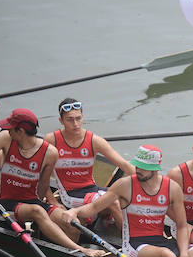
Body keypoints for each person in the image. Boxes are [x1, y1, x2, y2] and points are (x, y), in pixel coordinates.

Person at [68, 144, 193, 257]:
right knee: (167, 255)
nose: (138, 169)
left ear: (155, 169)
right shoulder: (124, 185)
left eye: (144, 167)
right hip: (135, 245)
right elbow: (94, 207)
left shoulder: (172, 188)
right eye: (137, 165)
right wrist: (74, 212)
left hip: (161, 242)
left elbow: (181, 226)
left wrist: (185, 255)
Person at [0, 108, 104, 257]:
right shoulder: (6, 138)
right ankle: (83, 250)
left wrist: (52, 202)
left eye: (11, 127)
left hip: (32, 201)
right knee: (37, 212)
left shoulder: (50, 153)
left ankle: (66, 256)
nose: (7, 130)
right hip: (7, 204)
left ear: (21, 131)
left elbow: (43, 186)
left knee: (72, 222)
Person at [43, 98, 134, 232]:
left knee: (128, 195)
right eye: (70, 119)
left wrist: (151, 185)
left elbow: (124, 165)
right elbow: (41, 175)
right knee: (113, 202)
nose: (75, 124)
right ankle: (130, 245)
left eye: (78, 118)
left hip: (91, 188)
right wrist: (53, 201)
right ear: (61, 121)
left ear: (83, 117)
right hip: (70, 194)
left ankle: (111, 219)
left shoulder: (94, 140)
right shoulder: (52, 140)